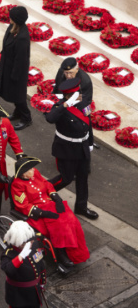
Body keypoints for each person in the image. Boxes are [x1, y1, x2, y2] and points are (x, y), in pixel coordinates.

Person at [11, 156, 90, 274]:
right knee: (58, 226)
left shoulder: (34, 173)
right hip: (36, 213)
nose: (33, 170)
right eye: (30, 169)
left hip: (50, 204)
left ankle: (75, 251)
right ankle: (61, 253)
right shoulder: (17, 185)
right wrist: (43, 213)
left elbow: (47, 184)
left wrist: (56, 197)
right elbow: (23, 206)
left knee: (71, 220)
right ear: (23, 174)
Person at [45, 77, 98, 220]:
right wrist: (66, 105)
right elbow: (50, 118)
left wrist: (90, 142)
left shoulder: (83, 101)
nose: (80, 95)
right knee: (66, 178)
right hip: (66, 149)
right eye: (76, 94)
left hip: (82, 146)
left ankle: (81, 207)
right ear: (69, 96)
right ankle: (42, 191)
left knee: (83, 178)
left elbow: (88, 122)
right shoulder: (60, 108)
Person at [0, 5, 32, 131]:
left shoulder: (22, 37)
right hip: (8, 66)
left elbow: (21, 59)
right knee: (14, 94)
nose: (9, 18)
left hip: (16, 71)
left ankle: (26, 118)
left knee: (18, 96)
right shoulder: (12, 27)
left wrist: (15, 75)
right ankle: (18, 113)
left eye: (11, 16)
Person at [53, 56, 98, 149]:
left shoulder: (85, 81)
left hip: (79, 104)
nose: (68, 76)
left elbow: (86, 100)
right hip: (65, 102)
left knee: (87, 120)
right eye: (66, 73)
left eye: (71, 73)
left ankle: (89, 142)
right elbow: (57, 86)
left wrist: (70, 103)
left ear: (77, 69)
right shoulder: (61, 72)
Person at [1, 221, 47, 308]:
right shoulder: (8, 254)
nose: (31, 242)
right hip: (19, 296)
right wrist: (21, 256)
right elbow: (8, 270)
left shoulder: (34, 245)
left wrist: (42, 282)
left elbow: (40, 264)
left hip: (34, 292)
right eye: (27, 242)